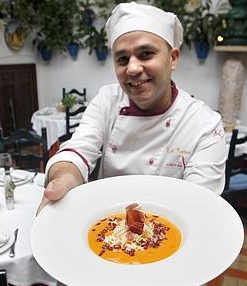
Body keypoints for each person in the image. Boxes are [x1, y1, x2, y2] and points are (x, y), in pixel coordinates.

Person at [37, 2, 226, 212]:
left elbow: (200, 205)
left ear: (172, 58)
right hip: (107, 224)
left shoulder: (204, 124)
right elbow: (78, 150)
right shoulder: (106, 100)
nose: (133, 68)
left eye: (146, 54)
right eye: (122, 59)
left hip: (171, 228)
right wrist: (64, 178)